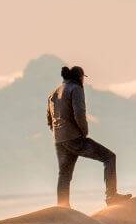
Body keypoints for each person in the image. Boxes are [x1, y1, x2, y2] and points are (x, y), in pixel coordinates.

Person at [47, 65, 131, 208]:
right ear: (79, 77)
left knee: (64, 174)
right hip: (74, 138)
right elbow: (79, 113)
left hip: (59, 140)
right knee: (109, 157)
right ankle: (111, 196)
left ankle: (62, 207)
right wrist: (84, 132)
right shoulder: (76, 89)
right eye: (83, 78)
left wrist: (59, 135)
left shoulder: (54, 93)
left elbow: (49, 119)